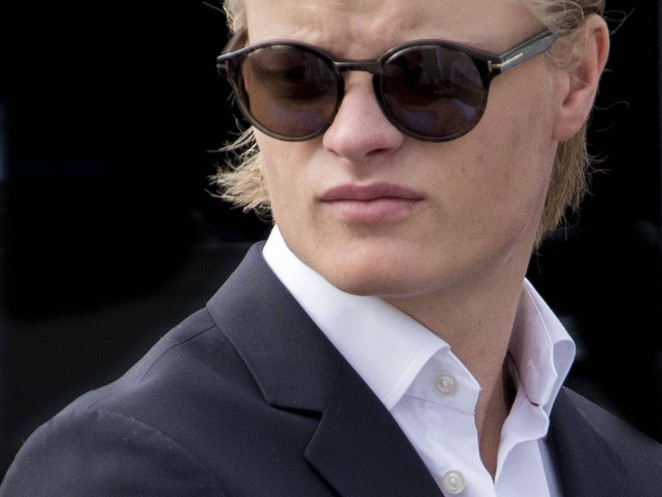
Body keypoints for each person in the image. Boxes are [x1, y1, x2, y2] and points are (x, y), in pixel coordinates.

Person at [1, 0, 661, 495]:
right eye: (296, 76)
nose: (352, 135)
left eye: (429, 77)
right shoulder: (119, 474)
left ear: (576, 76)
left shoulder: (632, 471)